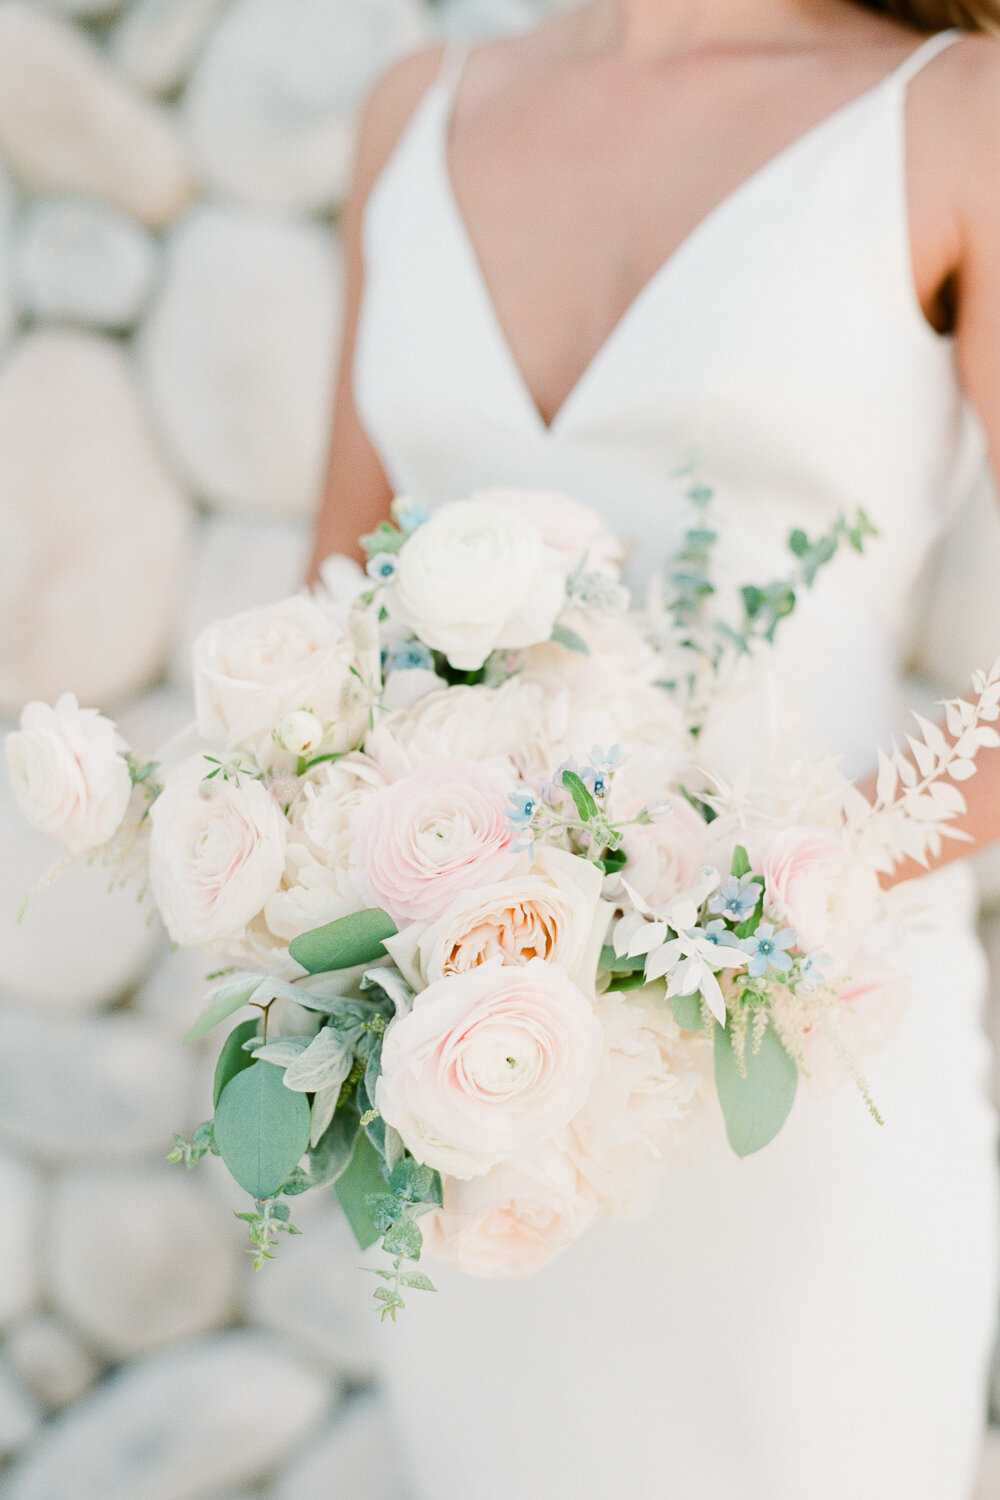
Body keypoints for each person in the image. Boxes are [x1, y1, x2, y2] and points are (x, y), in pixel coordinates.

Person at [308, 4, 1000, 1496]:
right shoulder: (415, 111)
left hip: (803, 1057)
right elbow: (329, 625)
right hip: (471, 1070)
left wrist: (736, 915)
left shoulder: (958, 116)